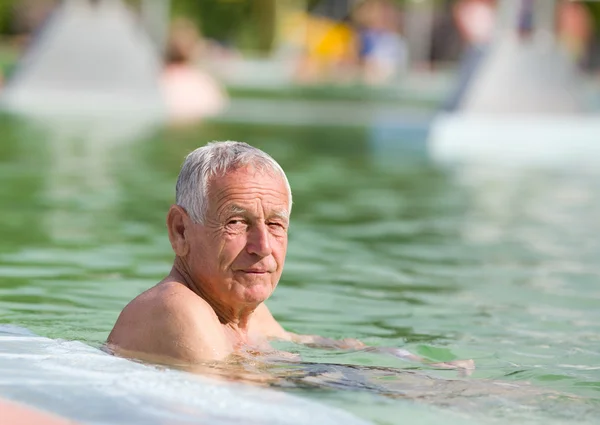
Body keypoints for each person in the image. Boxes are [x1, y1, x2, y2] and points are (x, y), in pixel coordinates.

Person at [107, 141, 474, 372]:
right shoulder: (177, 310)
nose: (263, 245)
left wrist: (417, 365)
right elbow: (236, 407)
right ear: (180, 231)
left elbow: (309, 344)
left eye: (276, 224)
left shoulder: (240, 310)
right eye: (237, 222)